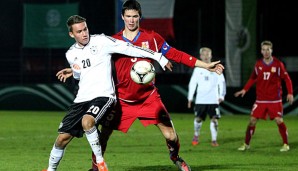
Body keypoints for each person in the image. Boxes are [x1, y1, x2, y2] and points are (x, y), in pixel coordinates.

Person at [57, 1, 223, 170]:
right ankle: (94, 168)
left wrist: (205, 65)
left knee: (171, 136)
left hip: (148, 98)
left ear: (140, 17)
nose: (131, 20)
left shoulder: (152, 38)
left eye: (135, 16)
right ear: (122, 17)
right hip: (120, 99)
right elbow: (93, 61)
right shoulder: (112, 41)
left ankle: (175, 156)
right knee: (103, 136)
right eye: (128, 16)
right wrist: (74, 70)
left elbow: (176, 54)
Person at [43, 14, 171, 171]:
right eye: (79, 32)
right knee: (62, 138)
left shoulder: (102, 41)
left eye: (85, 29)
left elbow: (129, 48)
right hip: (82, 99)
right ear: (71, 34)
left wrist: (158, 56)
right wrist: (73, 71)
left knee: (87, 122)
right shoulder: (70, 54)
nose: (84, 34)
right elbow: (81, 71)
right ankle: (50, 169)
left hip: (103, 96)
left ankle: (100, 162)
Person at [234, 40, 293, 152]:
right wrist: (245, 89)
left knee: (279, 120)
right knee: (252, 121)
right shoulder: (258, 64)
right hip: (260, 99)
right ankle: (246, 144)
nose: (266, 52)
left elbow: (286, 78)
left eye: (268, 49)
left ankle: (286, 144)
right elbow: (253, 78)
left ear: (271, 50)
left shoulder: (278, 64)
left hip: (274, 100)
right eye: (264, 49)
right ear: (261, 51)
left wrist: (290, 92)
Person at [187, 47, 226, 147]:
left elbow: (222, 83)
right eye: (203, 54)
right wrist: (190, 98)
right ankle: (196, 135)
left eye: (207, 54)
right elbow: (192, 84)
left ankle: (214, 140)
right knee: (198, 119)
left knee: (214, 119)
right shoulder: (197, 69)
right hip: (201, 100)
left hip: (213, 99)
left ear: (211, 55)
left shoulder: (217, 68)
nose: (205, 56)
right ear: (200, 56)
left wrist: (222, 95)